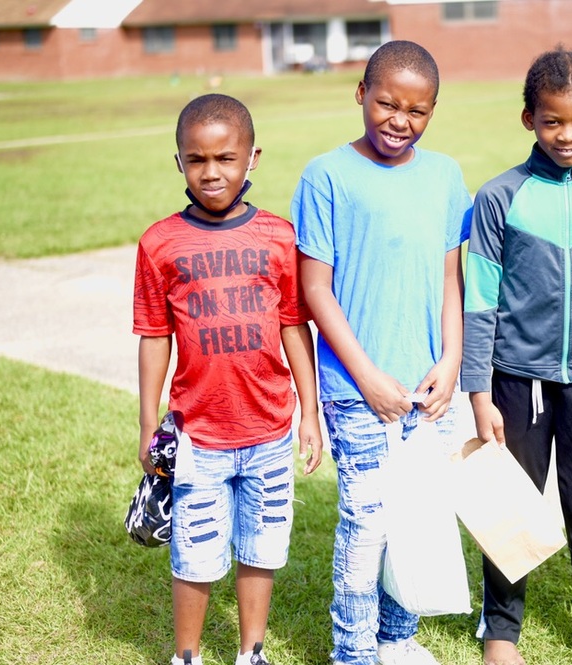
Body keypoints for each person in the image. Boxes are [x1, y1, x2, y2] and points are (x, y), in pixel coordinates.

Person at [290, 40, 472, 665]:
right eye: (387, 104)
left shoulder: (446, 175)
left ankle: (396, 639)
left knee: (417, 514)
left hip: (428, 389)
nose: (400, 121)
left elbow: (452, 279)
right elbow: (314, 288)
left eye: (417, 111)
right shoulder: (326, 175)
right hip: (354, 387)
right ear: (360, 94)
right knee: (367, 521)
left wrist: (452, 361)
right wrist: (366, 377)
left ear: (434, 111)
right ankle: (353, 651)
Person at [461, 46, 572, 665]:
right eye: (553, 121)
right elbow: (480, 301)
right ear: (529, 120)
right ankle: (502, 631)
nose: (568, 134)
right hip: (517, 381)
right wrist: (479, 393)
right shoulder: (499, 197)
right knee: (508, 505)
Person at [133, 93, 323, 665]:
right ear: (179, 163)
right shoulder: (160, 243)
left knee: (261, 549)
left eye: (225, 158)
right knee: (194, 554)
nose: (211, 172)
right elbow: (153, 337)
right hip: (198, 436)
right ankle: (186, 656)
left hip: (268, 430)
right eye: (196, 160)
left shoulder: (278, 238)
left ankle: (252, 653)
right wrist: (148, 423)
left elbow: (294, 327)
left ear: (252, 158)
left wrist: (309, 412)